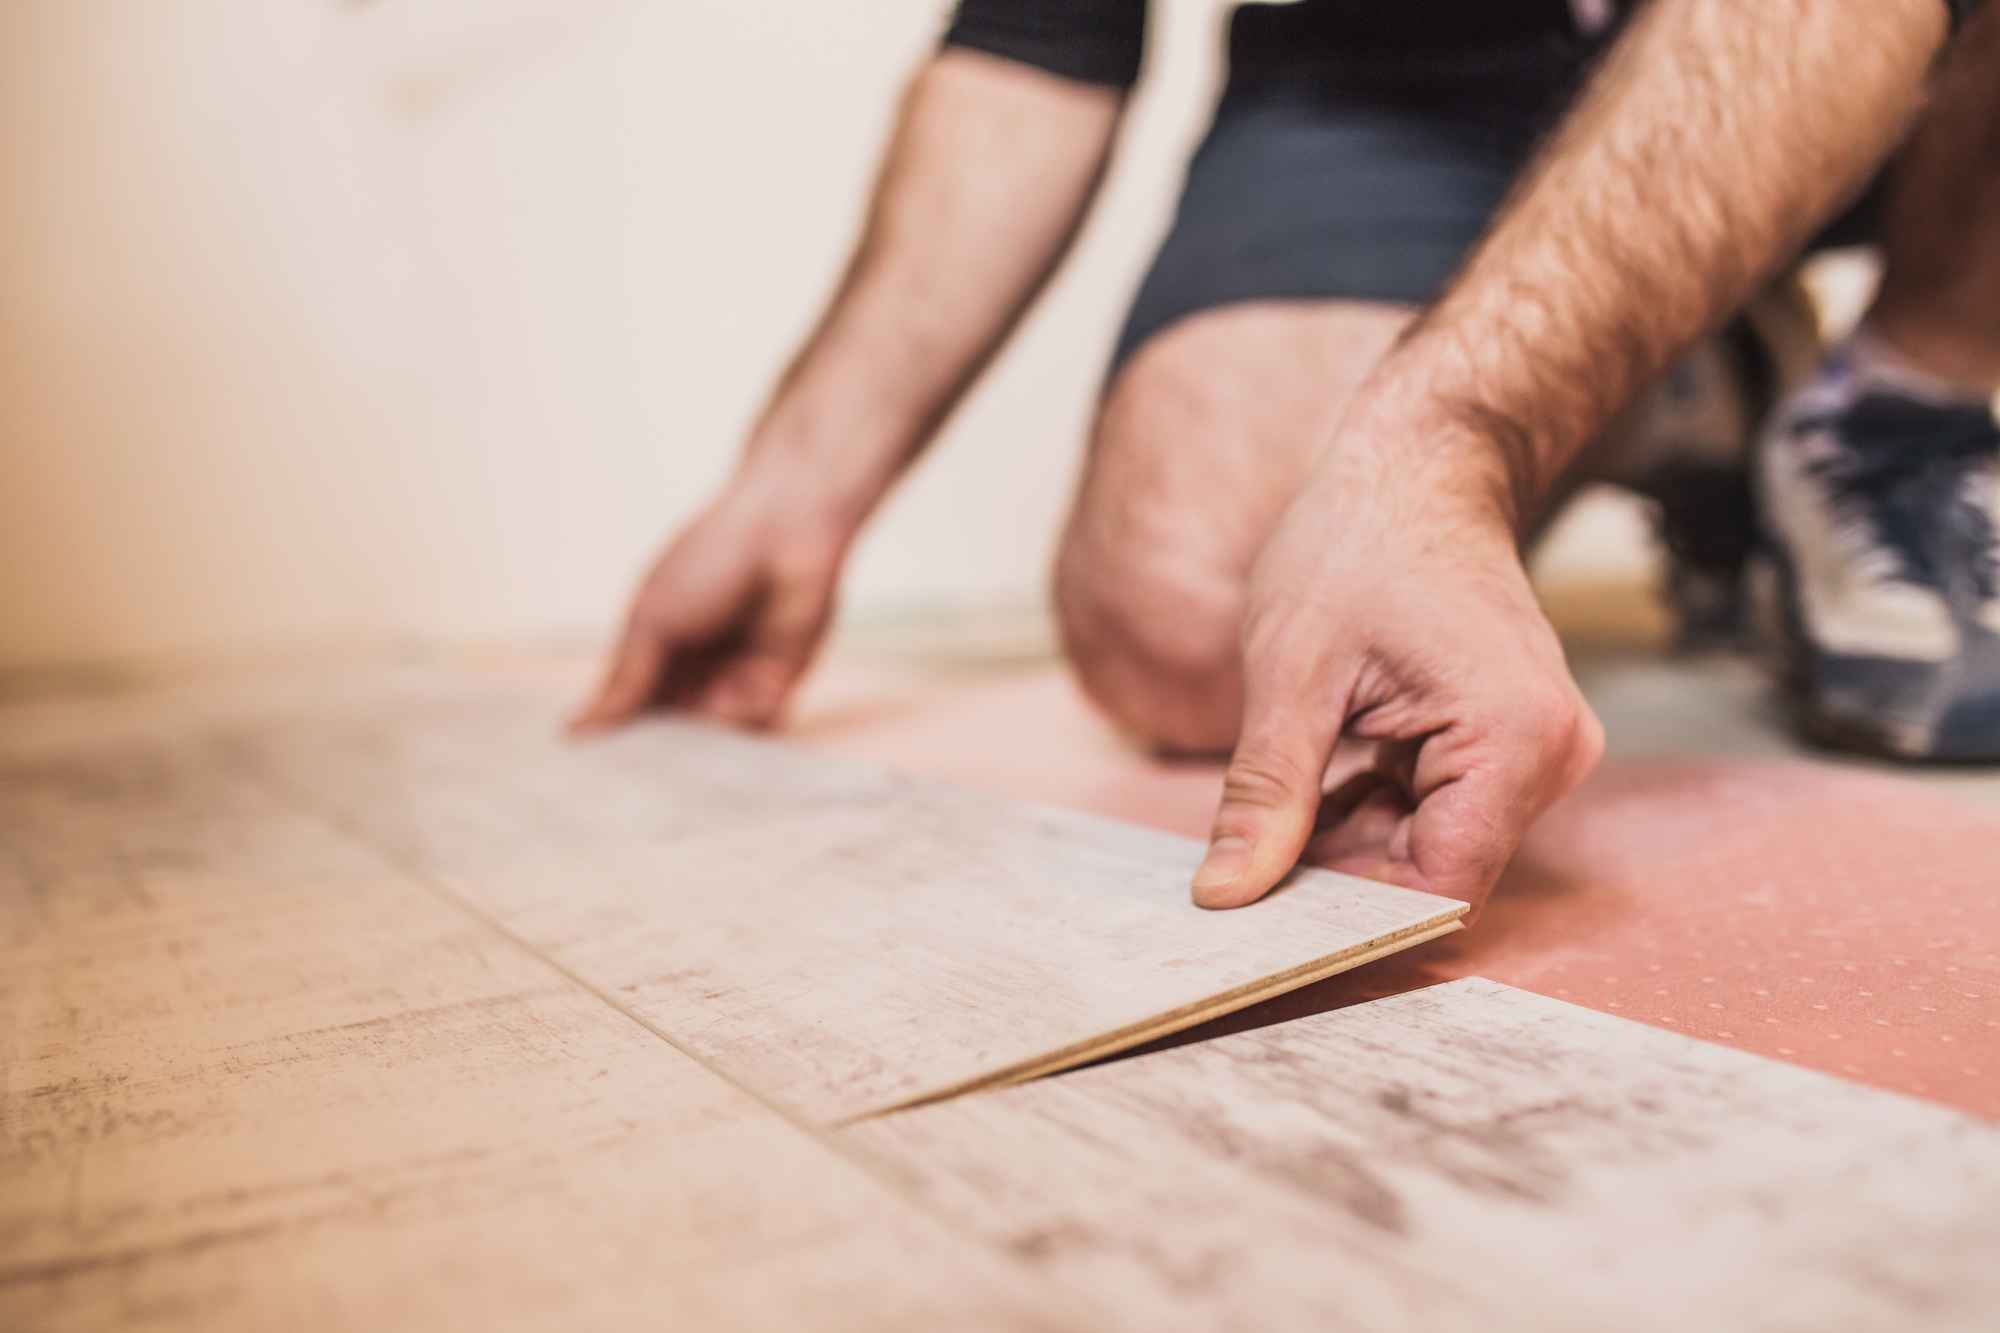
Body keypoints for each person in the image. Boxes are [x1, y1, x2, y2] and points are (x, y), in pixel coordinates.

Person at [573, 0, 1999, 921]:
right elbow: (1039, 36)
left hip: (1898, 62)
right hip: (1420, 75)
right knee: (1195, 625)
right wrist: (798, 486)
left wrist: (1434, 443)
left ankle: (1921, 389)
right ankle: (1696, 373)